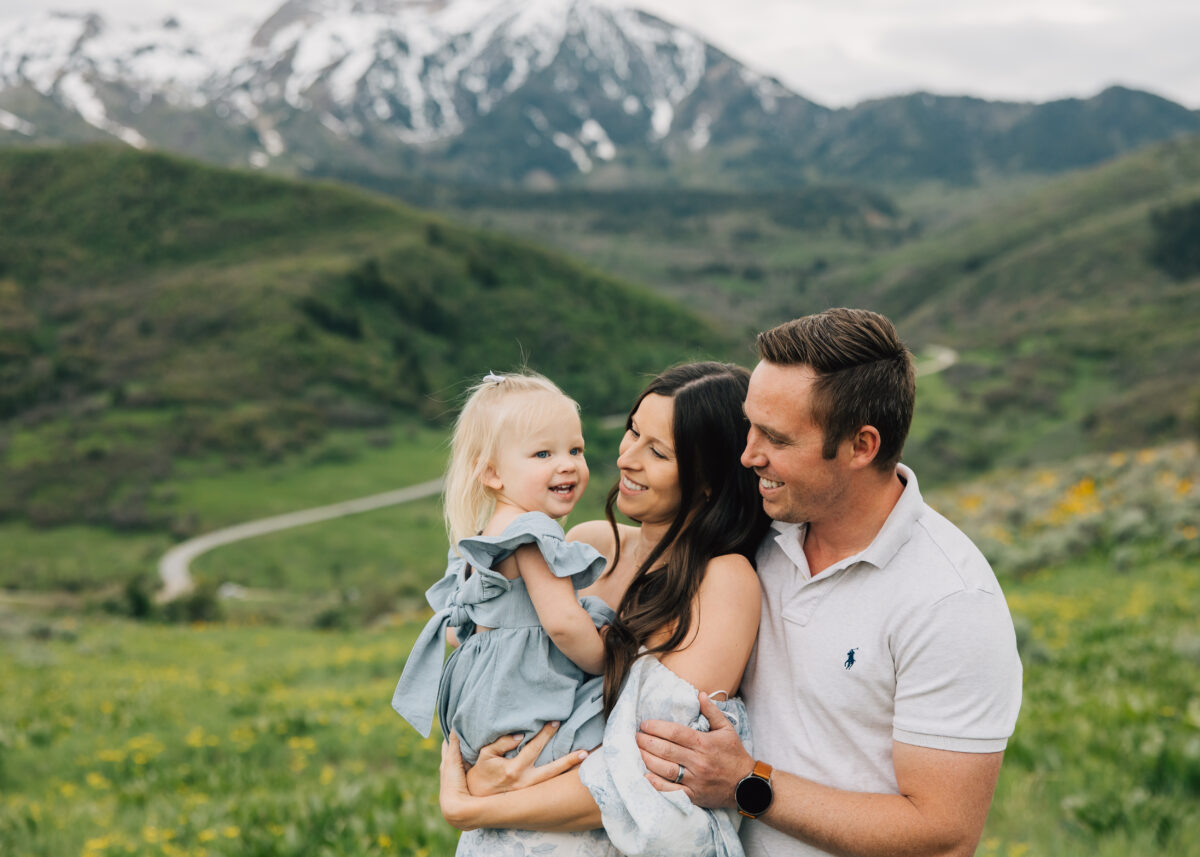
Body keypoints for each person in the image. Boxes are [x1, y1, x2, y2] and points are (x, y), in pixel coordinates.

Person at [635, 308, 1024, 857]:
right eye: (750, 424)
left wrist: (748, 785)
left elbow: (944, 835)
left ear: (862, 446)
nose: (749, 453)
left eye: (776, 437)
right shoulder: (754, 529)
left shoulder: (950, 601)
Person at [438, 362, 772, 856]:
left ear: (708, 479)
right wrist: (477, 766)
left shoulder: (721, 580)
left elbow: (650, 772)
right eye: (631, 432)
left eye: (657, 451)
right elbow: (508, 679)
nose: (627, 459)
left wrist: (475, 806)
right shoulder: (589, 544)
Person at [391, 371, 612, 778]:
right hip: (525, 708)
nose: (567, 465)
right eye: (543, 454)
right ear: (492, 474)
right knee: (626, 719)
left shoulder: (478, 540)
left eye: (575, 450)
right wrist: (610, 664)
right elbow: (563, 623)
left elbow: (460, 632)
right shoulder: (532, 531)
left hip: (481, 712)